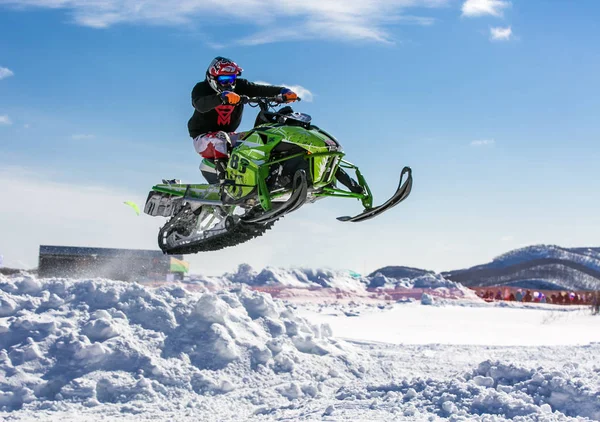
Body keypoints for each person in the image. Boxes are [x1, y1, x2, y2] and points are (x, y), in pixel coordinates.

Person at [187, 56, 298, 187]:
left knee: (258, 138)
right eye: (224, 79)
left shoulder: (240, 86)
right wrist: (221, 98)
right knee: (220, 139)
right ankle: (225, 183)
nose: (229, 83)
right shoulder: (202, 88)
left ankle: (269, 177)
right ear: (212, 78)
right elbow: (200, 104)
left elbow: (260, 89)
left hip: (229, 136)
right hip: (203, 138)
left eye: (232, 78)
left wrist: (282, 91)